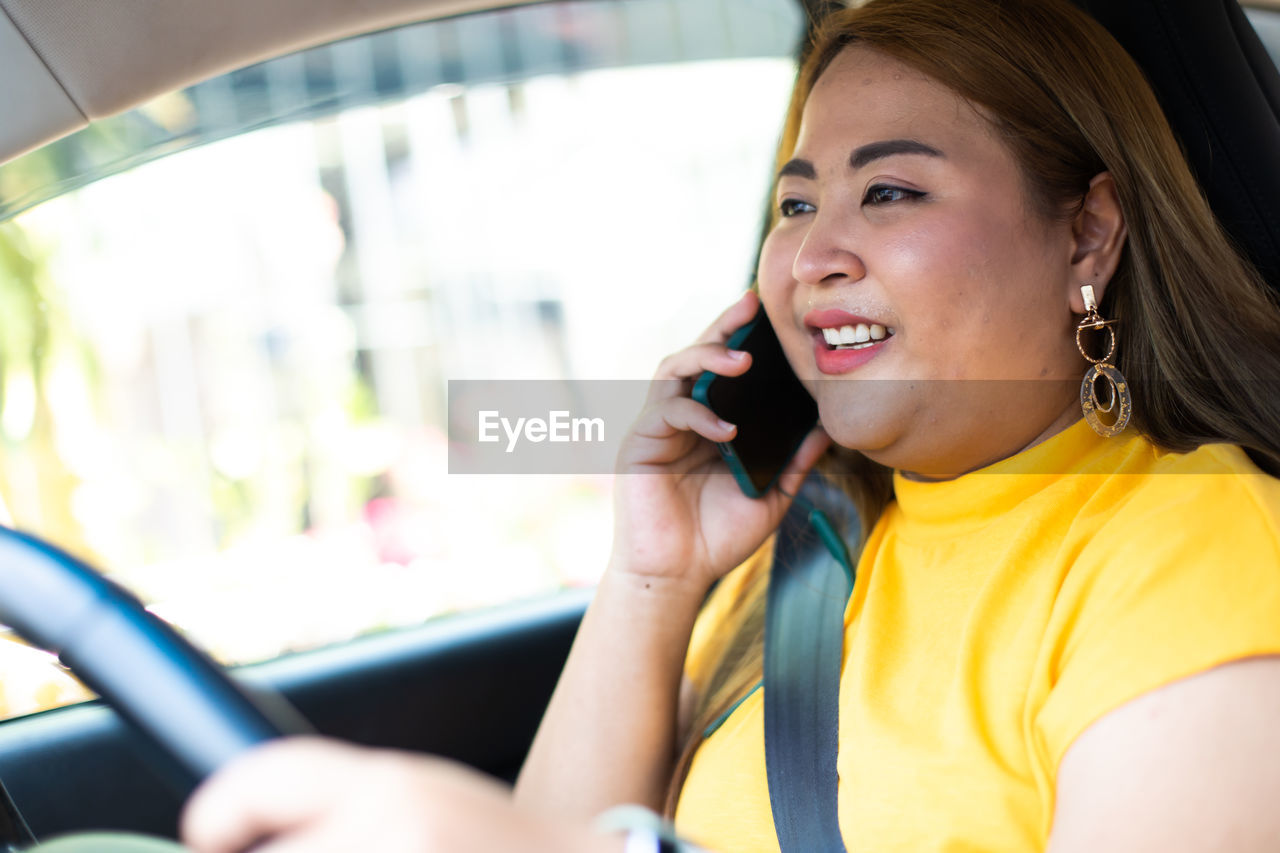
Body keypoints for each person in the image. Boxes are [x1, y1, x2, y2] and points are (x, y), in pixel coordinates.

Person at [180, 0, 1280, 850]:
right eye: (794, 205)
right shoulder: (806, 547)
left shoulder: (1187, 544)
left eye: (887, 193)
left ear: (1085, 235)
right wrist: (651, 579)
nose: (813, 256)